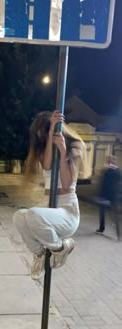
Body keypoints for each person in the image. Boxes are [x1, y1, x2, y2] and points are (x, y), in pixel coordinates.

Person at [13, 110, 87, 280]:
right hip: (48, 206)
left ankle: (61, 248)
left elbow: (67, 184)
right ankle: (39, 254)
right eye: (39, 136)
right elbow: (47, 165)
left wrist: (63, 153)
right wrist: (51, 130)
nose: (41, 138)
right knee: (19, 216)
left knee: (32, 214)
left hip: (67, 210)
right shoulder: (43, 149)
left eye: (44, 133)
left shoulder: (74, 148)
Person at [94, 155, 121, 239]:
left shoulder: (105, 170)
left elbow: (102, 183)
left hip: (104, 195)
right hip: (114, 195)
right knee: (114, 214)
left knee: (102, 212)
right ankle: (118, 234)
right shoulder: (119, 171)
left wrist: (98, 194)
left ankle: (101, 229)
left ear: (108, 162)